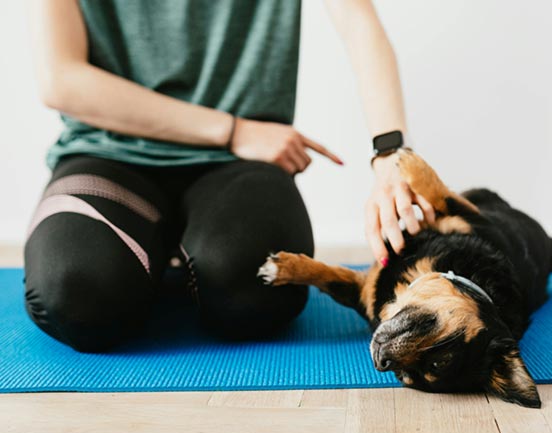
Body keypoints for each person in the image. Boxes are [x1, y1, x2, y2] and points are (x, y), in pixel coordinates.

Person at [24, 0, 435, 352]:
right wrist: (232, 129)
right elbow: (61, 80)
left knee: (256, 293)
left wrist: (391, 156)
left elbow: (359, 24)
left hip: (237, 167)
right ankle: (152, 263)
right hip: (108, 155)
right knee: (76, 297)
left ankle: (173, 263)